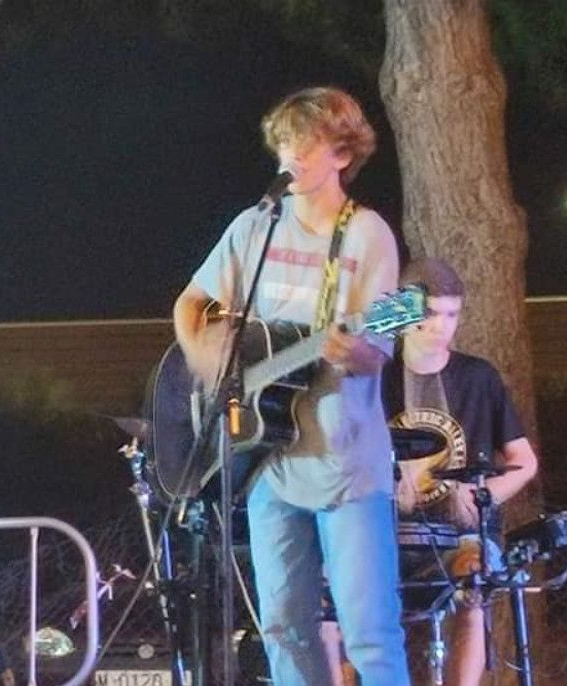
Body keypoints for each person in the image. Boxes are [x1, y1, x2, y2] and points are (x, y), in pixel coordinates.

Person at [172, 86, 409, 684]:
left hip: (346, 464)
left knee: (369, 633)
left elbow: (379, 344)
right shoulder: (254, 227)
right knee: (281, 626)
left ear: (342, 154)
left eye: (305, 143)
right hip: (266, 459)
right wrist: (205, 359)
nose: (290, 156)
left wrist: (353, 349)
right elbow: (191, 304)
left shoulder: (367, 235)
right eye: (284, 143)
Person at [385, 257, 538, 685]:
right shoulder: (377, 375)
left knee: (475, 581)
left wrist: (482, 493)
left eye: (451, 315)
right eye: (429, 314)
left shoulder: (478, 377)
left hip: (460, 534)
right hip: (387, 531)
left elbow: (524, 462)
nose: (441, 327)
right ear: (404, 312)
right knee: (334, 590)